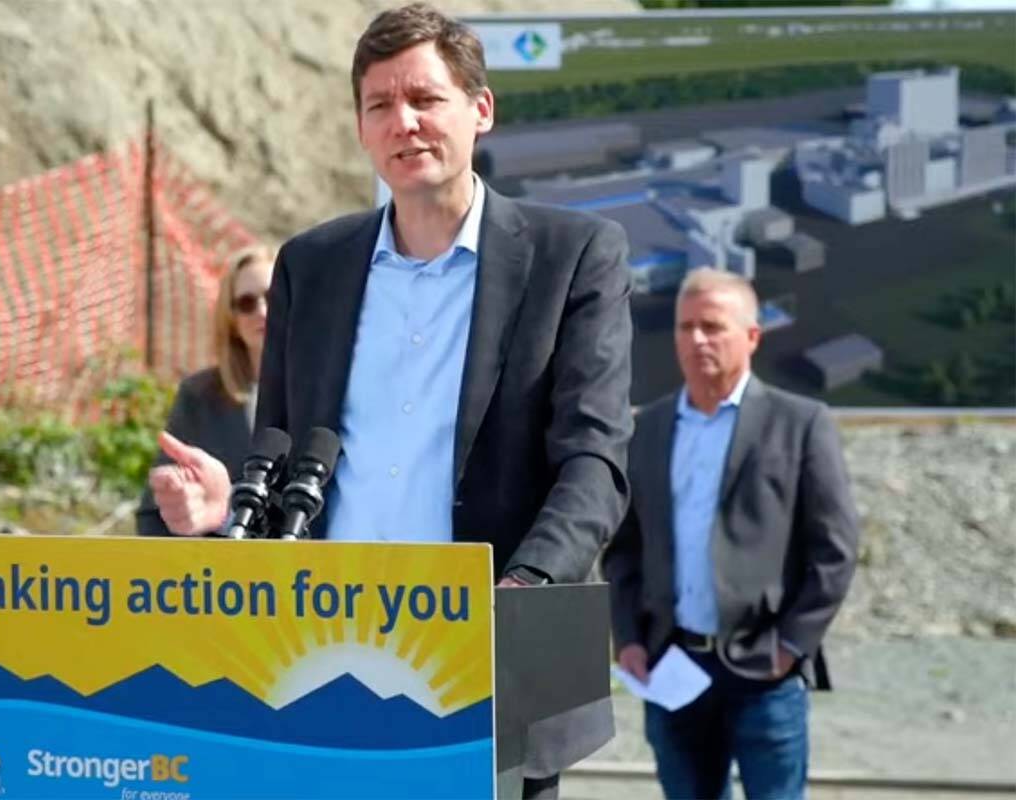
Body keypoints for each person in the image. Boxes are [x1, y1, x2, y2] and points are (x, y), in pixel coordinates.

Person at [148, 4, 634, 795]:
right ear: (361, 128)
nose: (402, 123)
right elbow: (280, 443)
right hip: (320, 665)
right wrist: (225, 511)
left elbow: (595, 460)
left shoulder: (573, 257)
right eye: (379, 105)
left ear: (480, 110)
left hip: (485, 673)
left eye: (424, 99)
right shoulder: (312, 265)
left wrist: (522, 590)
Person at [603, 268, 860, 800]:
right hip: (672, 666)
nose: (696, 340)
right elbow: (624, 548)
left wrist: (791, 645)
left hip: (765, 672)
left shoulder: (800, 423)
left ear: (752, 336)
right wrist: (628, 638)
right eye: (685, 327)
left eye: (713, 326)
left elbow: (834, 550)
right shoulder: (646, 428)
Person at [136, 244, 274, 536]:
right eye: (247, 303)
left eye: (273, 297)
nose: (262, 311)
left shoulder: (334, 390)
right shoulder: (198, 396)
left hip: (317, 576)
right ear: (232, 319)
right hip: (222, 576)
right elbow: (153, 516)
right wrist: (187, 508)